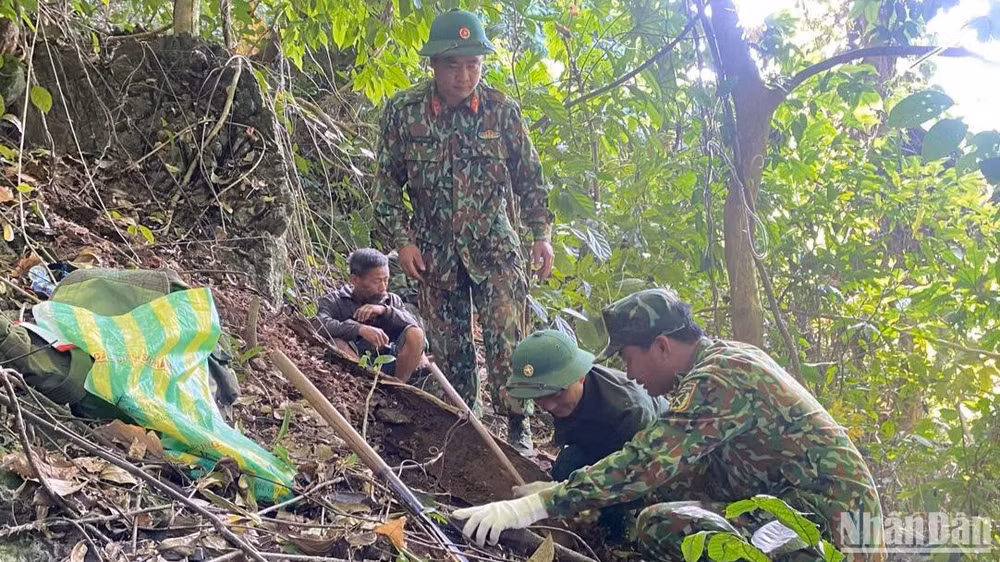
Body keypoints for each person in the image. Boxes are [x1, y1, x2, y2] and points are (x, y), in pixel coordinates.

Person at [453, 288, 886, 560]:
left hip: (826, 534)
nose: (630, 373)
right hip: (790, 510)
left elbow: (646, 462)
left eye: (627, 357)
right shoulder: (724, 358)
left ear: (660, 346)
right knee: (657, 498)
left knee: (659, 523)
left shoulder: (720, 377)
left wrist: (533, 506)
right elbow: (678, 470)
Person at [373, 8, 554, 450]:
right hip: (435, 252)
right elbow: (385, 185)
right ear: (433, 64)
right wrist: (403, 241)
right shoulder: (403, 112)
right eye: (453, 64)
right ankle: (458, 428)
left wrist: (541, 234)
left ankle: (517, 429)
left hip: (495, 248)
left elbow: (529, 175)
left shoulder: (502, 112)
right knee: (451, 352)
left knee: (506, 342)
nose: (464, 75)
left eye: (473, 64)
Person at [506, 329, 668, 481]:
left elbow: (633, 477)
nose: (549, 406)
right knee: (565, 467)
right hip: (596, 442)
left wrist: (555, 498)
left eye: (556, 394)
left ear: (581, 377)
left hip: (656, 458)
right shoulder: (566, 391)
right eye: (538, 398)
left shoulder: (630, 411)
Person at [313, 249, 428, 382]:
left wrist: (385, 311)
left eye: (386, 280)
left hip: (392, 365)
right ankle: (365, 382)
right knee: (337, 344)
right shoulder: (335, 301)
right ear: (355, 280)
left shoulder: (392, 300)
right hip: (356, 364)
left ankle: (398, 386)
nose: (383, 287)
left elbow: (417, 328)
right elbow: (318, 323)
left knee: (415, 334)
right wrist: (359, 329)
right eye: (377, 281)